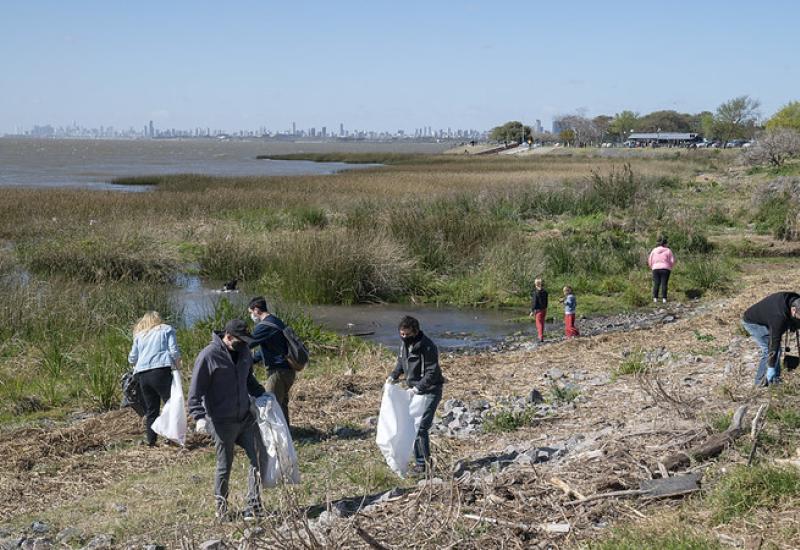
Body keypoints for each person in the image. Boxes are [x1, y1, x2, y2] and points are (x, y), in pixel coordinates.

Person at [188, 319, 267, 520]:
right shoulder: (208, 356)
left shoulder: (245, 353)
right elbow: (195, 392)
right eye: (241, 341)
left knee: (259, 457)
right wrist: (198, 416)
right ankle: (221, 510)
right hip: (221, 422)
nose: (244, 345)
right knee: (225, 465)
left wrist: (262, 394)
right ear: (228, 337)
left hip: (245, 418)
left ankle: (254, 505)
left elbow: (248, 379)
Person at [386, 316, 444, 475]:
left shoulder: (427, 346)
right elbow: (401, 363)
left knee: (421, 428)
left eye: (407, 334)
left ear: (415, 331)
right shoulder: (404, 345)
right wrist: (393, 376)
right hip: (415, 390)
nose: (403, 337)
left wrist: (417, 388)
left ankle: (424, 466)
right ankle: (420, 463)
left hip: (431, 389)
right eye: (401, 334)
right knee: (412, 426)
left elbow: (431, 372)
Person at [128, 311, 181, 447]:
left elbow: (132, 358)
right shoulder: (166, 329)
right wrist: (177, 366)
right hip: (161, 370)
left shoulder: (140, 335)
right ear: (158, 319)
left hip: (143, 374)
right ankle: (172, 437)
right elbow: (174, 351)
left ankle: (151, 441)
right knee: (171, 404)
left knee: (152, 409)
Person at [247, 297, 296, 427]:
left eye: (251, 312)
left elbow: (247, 344)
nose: (251, 316)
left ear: (256, 310)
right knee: (281, 404)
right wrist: (253, 360)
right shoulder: (276, 321)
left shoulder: (263, 326)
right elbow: (270, 349)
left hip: (278, 372)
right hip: (288, 370)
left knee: (270, 405)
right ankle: (287, 433)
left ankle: (276, 437)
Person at [742, 292, 800, 386]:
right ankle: (761, 382)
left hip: (768, 317)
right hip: (753, 322)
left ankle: (774, 380)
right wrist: (771, 367)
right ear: (793, 310)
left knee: (777, 351)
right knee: (769, 350)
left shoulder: (796, 300)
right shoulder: (778, 317)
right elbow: (774, 342)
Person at [648, 236, 676, 303]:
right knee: (664, 283)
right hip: (665, 269)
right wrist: (670, 267)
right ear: (665, 244)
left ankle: (655, 298)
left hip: (655, 268)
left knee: (656, 283)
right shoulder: (668, 250)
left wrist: (652, 267)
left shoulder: (654, 250)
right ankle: (664, 299)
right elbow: (672, 261)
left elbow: (650, 260)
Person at [529, 278, 548, 343]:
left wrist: (532, 311)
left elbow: (534, 302)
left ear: (535, 284)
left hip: (538, 310)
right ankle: (541, 336)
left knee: (539, 324)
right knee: (542, 323)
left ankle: (540, 337)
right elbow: (546, 301)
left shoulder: (535, 292)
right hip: (544, 309)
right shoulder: (545, 292)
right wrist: (545, 307)